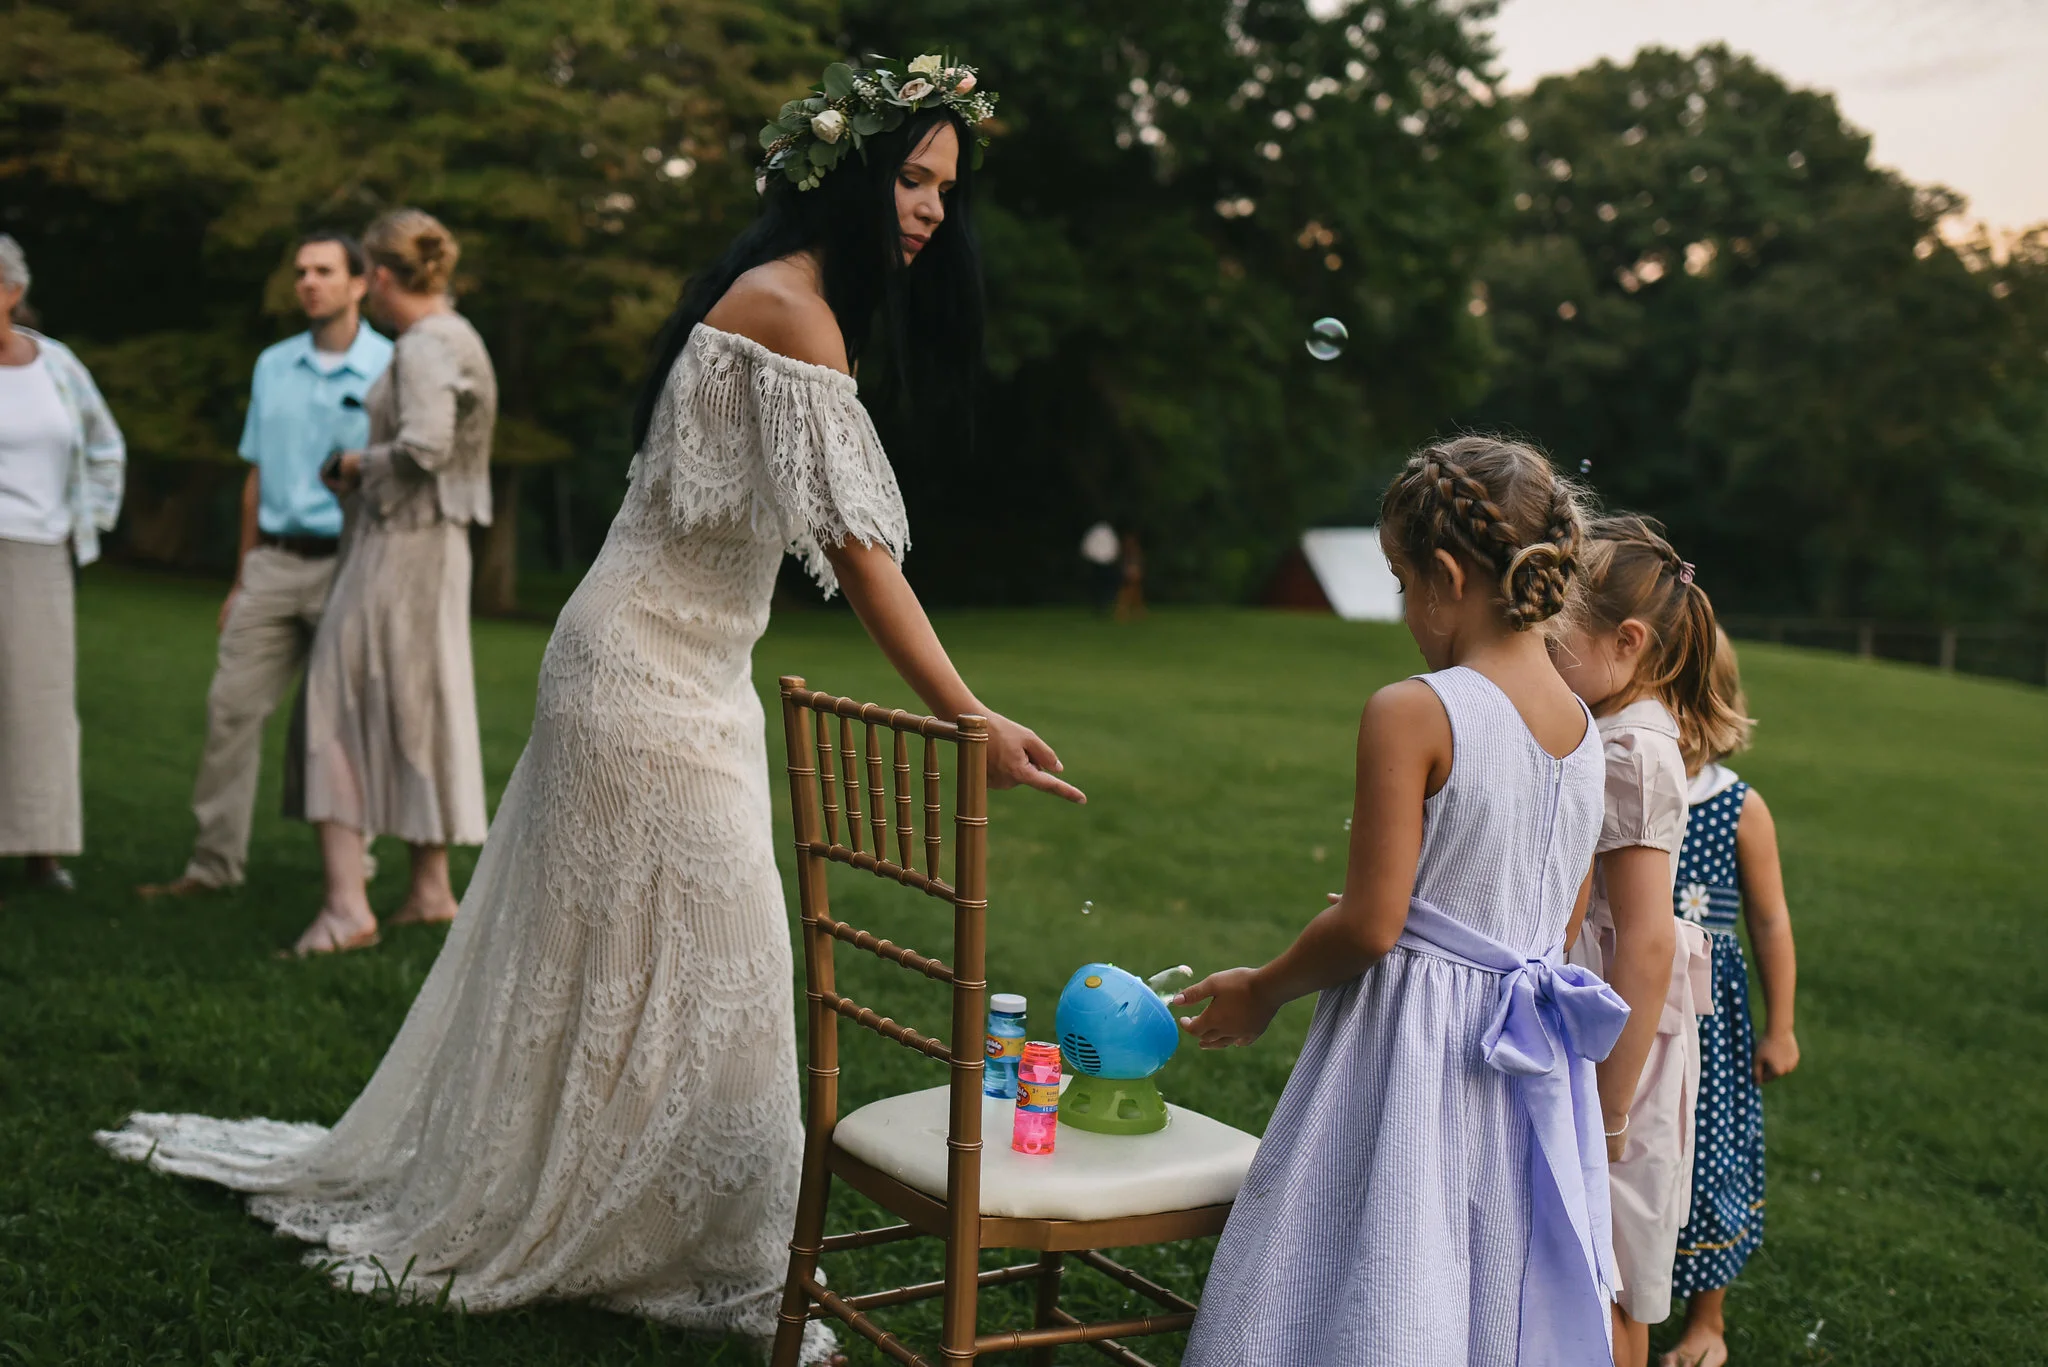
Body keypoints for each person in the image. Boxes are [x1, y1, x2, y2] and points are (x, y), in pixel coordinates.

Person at [98, 56, 1072, 1364]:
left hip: (683, 668)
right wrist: (969, 712)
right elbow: (857, 548)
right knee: (702, 953)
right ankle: (683, 1234)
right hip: (638, 676)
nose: (934, 209)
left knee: (653, 957)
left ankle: (654, 1214)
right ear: (842, 175)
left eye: (946, 187)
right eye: (911, 177)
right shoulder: (790, 310)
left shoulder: (782, 299)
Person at [1175, 437, 1628, 1365]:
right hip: (1518, 1060)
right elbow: (1556, 922)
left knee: (1378, 1250)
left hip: (1413, 1049)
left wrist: (1263, 986)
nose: (1404, 610)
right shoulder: (1587, 732)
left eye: (1400, 579)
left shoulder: (1414, 707)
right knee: (1476, 1266)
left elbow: (1373, 927)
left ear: (1448, 576)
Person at [1547, 515, 1748, 1367]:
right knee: (1585, 1245)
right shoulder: (1617, 725)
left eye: (1557, 639)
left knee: (1613, 1262)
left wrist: (1611, 1107)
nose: (1542, 657)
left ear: (1626, 641)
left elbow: (1647, 942)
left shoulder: (1633, 752)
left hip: (1621, 1042)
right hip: (1602, 1019)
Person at [138, 232, 392, 900]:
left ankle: (352, 875)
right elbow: (255, 476)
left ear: (360, 284)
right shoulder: (272, 365)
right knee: (229, 709)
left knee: (346, 724)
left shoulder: (391, 366)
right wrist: (243, 572)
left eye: (325, 270)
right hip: (273, 566)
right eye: (301, 271)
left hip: (351, 566)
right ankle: (213, 865)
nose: (308, 281)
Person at [275, 208, 495, 956]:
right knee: (415, 705)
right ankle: (430, 890)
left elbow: (427, 445)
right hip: (435, 548)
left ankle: (345, 907)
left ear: (381, 276)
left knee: (330, 706)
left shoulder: (424, 346)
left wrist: (351, 467)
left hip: (398, 548)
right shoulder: (462, 335)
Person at [1662, 630, 1800, 1367]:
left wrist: (1780, 1026)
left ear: (1708, 706)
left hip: (1708, 1029)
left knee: (1705, 1154)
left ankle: (1705, 1320)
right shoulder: (1616, 778)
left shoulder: (1739, 808)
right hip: (1630, 1005)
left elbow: (1770, 920)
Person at [0, 232, 125, 898]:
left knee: (39, 703)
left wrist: (91, 523)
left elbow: (106, 446)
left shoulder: (59, 367)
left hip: (40, 550)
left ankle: (39, 851)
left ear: (11, 291)